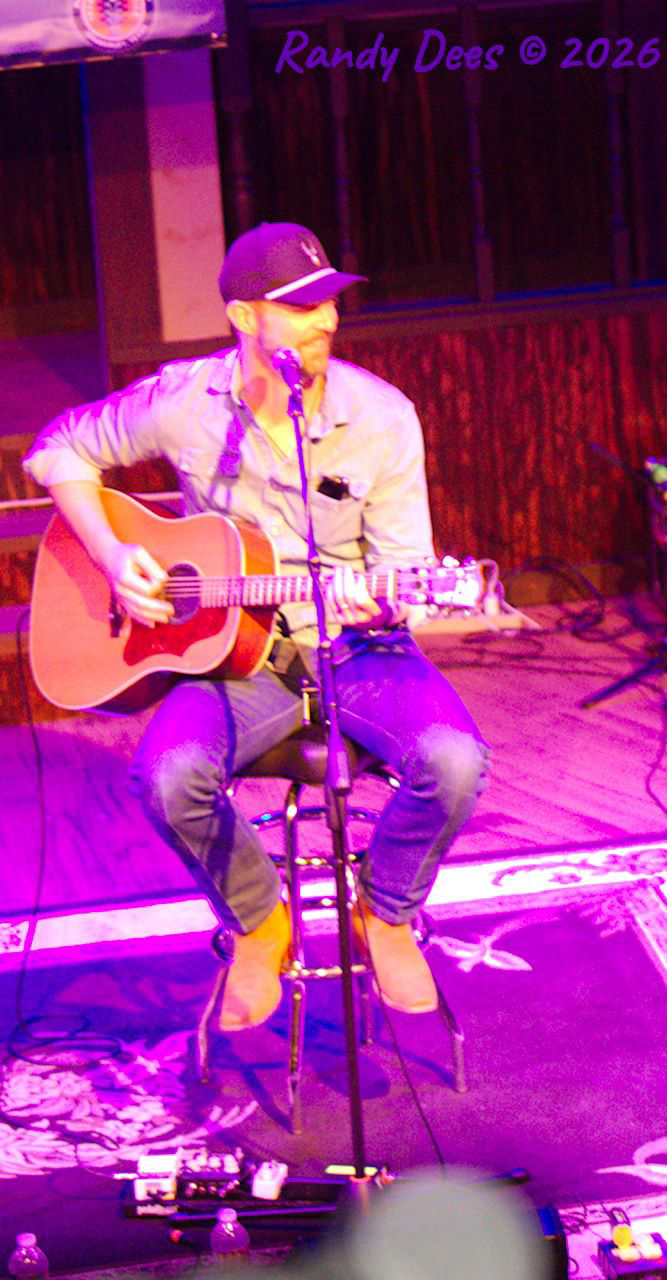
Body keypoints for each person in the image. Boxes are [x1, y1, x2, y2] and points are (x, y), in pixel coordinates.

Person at [23, 223, 489, 1031]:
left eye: (331, 303)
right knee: (168, 780)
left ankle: (383, 911)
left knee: (454, 763)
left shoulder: (382, 416)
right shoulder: (182, 403)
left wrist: (384, 599)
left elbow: (406, 568)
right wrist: (111, 556)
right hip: (237, 656)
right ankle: (258, 919)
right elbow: (57, 449)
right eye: (300, 306)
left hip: (360, 646)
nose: (326, 321)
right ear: (243, 318)